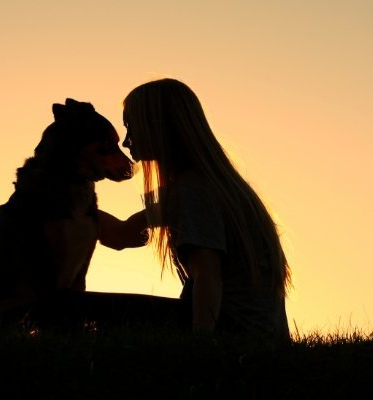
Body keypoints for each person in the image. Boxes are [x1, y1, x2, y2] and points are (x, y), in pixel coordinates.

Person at [98, 78, 292, 343]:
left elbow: (208, 275)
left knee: (77, 309)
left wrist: (199, 347)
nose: (127, 141)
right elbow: (120, 235)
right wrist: (66, 199)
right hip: (256, 334)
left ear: (159, 126)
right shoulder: (206, 184)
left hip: (235, 335)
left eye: (132, 127)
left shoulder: (192, 190)